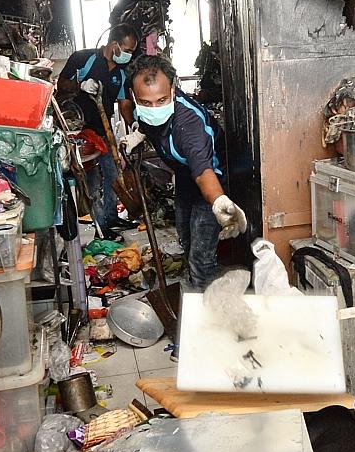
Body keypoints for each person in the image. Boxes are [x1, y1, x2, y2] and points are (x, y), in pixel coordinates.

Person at [119, 55, 246, 288]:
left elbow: (203, 171)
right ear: (134, 95)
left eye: (162, 100)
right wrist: (139, 134)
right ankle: (197, 283)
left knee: (200, 257)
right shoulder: (144, 108)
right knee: (185, 238)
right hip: (185, 178)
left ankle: (209, 299)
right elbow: (143, 117)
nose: (154, 108)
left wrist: (218, 201)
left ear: (173, 89)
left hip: (212, 182)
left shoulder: (189, 125)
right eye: (146, 102)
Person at [58, 24, 139, 238]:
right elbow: (60, 85)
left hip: (103, 131)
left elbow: (124, 104)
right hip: (79, 134)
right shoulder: (83, 58)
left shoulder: (121, 73)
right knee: (92, 183)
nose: (130, 55)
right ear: (114, 45)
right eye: (127, 50)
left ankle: (112, 217)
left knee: (113, 174)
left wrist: (135, 126)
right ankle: (101, 228)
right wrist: (80, 85)